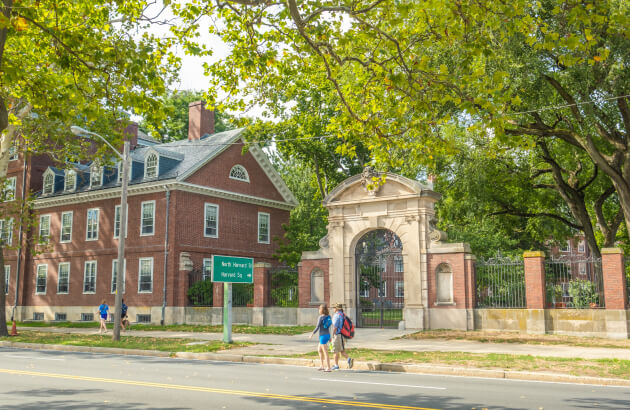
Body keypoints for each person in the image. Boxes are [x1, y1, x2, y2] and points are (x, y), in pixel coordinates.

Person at [309, 304, 332, 372]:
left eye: (319, 309)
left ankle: (328, 367)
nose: (319, 310)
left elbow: (317, 327)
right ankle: (322, 365)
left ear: (322, 310)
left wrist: (312, 334)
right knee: (319, 349)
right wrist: (330, 337)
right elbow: (329, 327)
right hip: (327, 335)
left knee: (325, 352)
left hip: (322, 336)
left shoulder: (321, 317)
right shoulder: (329, 316)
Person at [331, 303, 353, 370]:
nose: (333, 309)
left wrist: (332, 335)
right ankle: (348, 359)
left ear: (337, 308)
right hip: (343, 335)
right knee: (341, 350)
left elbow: (335, 327)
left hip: (337, 335)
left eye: (334, 307)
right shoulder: (343, 315)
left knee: (335, 350)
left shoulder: (336, 315)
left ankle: (336, 365)